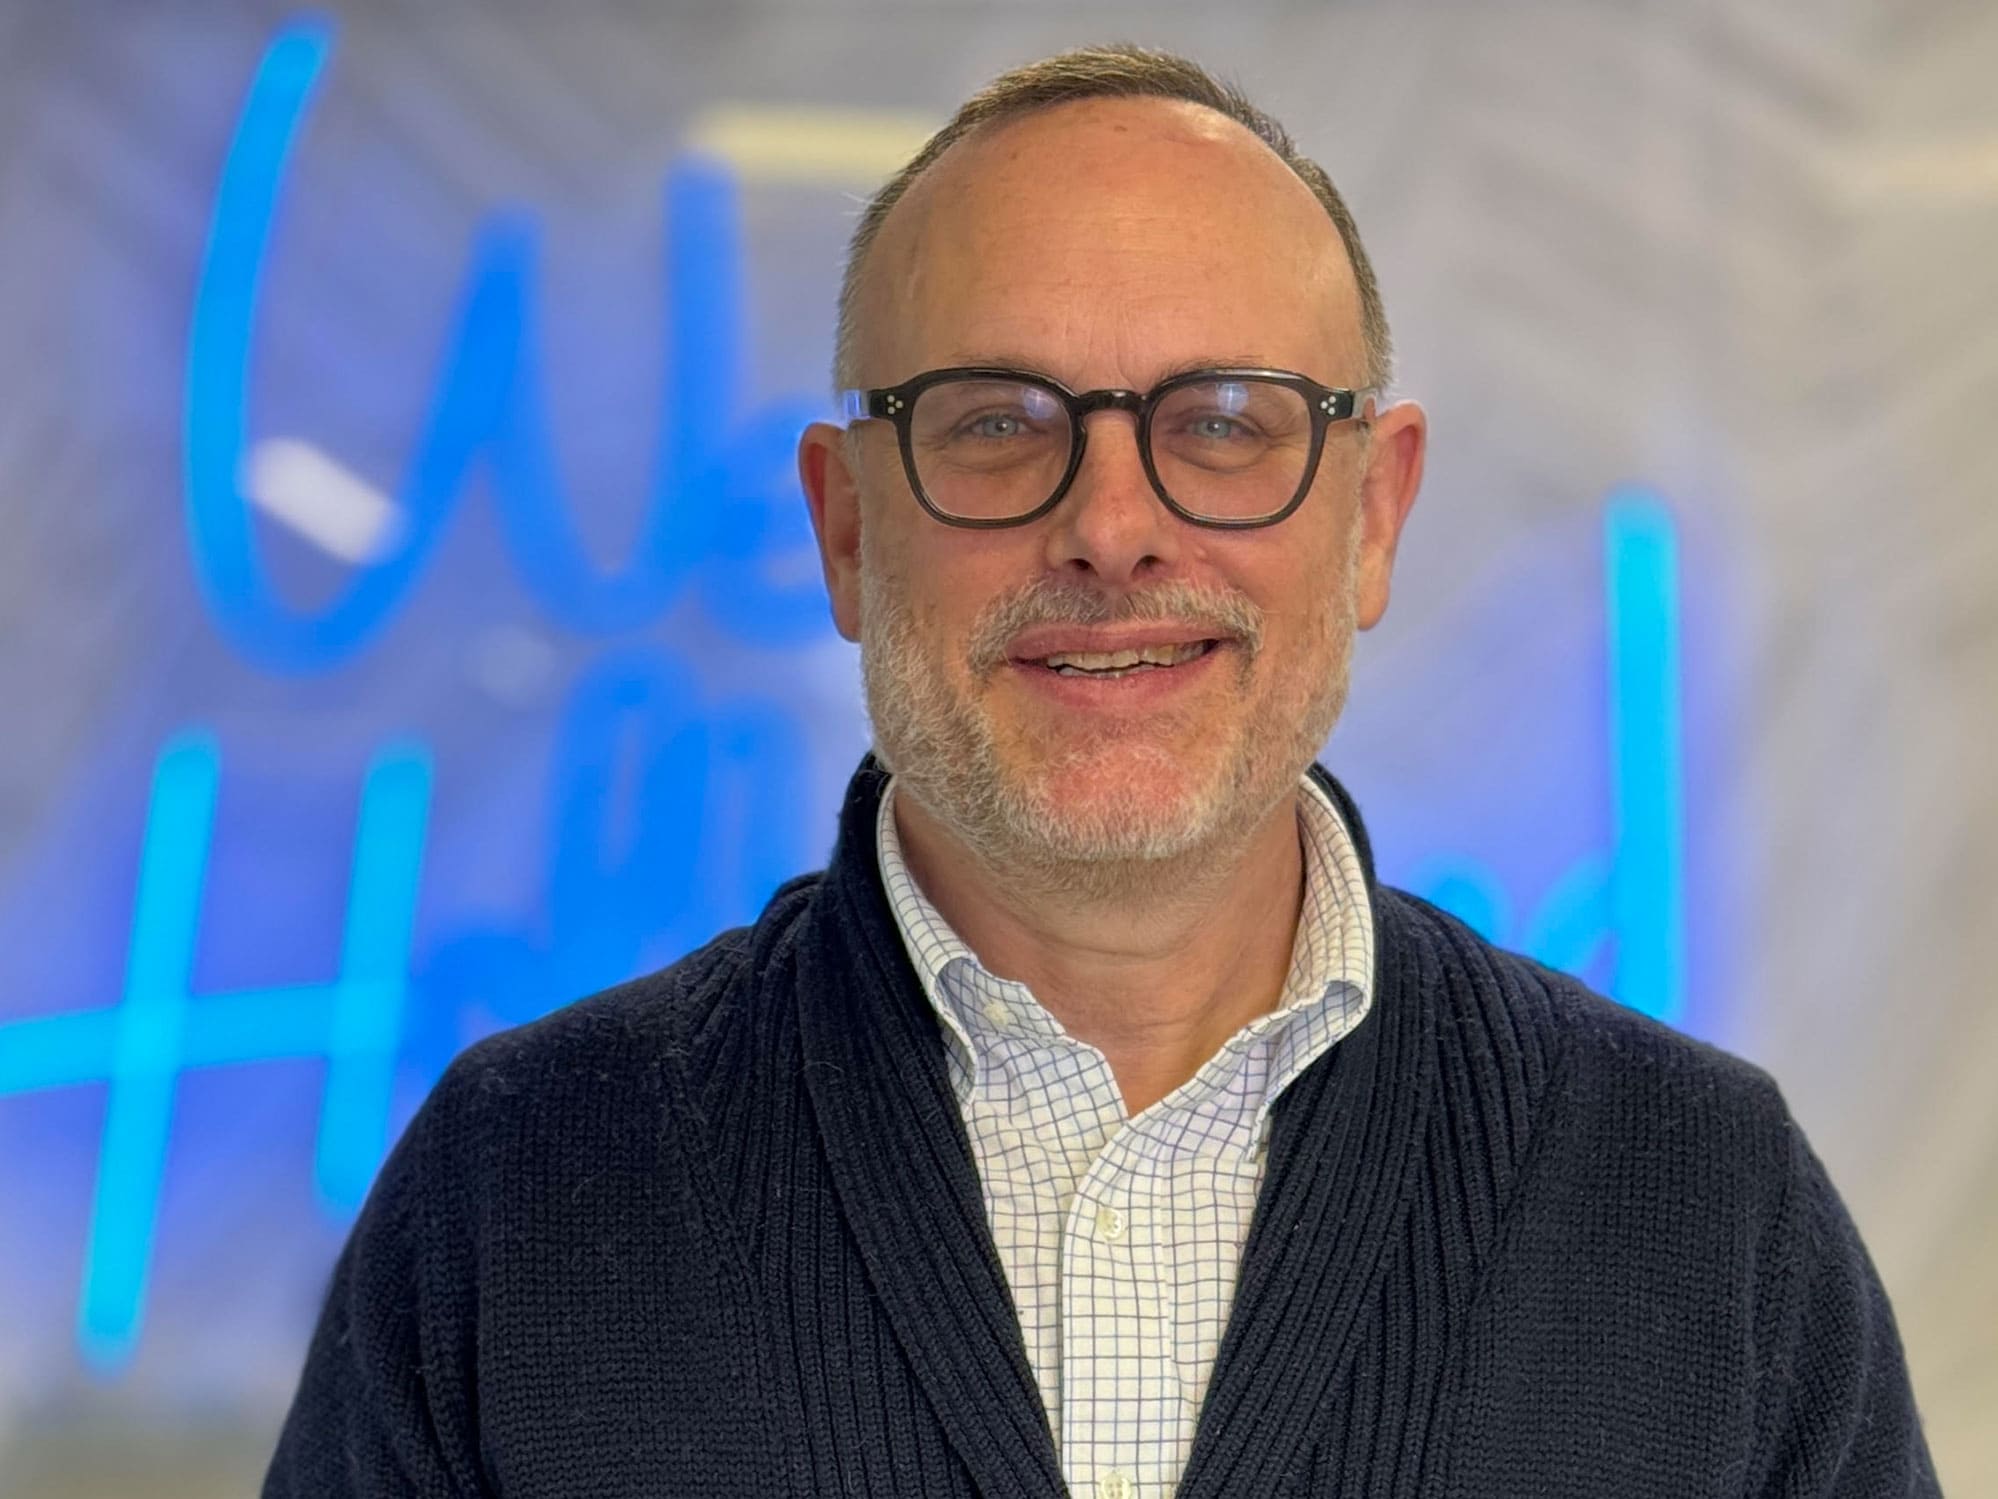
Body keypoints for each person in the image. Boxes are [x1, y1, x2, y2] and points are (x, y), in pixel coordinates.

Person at [264, 46, 1938, 1499]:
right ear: (847, 528)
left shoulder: (1701, 1209)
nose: (1112, 526)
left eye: (1223, 418)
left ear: (1372, 514)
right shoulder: (519, 1194)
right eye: (995, 419)